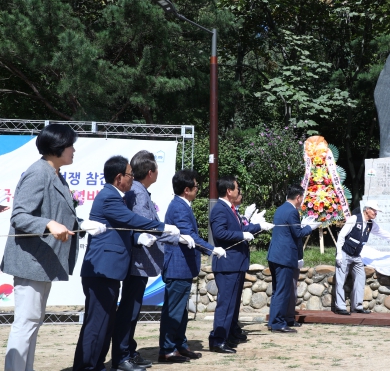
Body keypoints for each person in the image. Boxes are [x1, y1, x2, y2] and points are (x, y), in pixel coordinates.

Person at [1, 124, 105, 371]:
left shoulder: (55, 174)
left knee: (33, 322)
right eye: (70, 145)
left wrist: (81, 224)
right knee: (25, 323)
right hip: (31, 261)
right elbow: (19, 216)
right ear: (58, 147)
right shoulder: (38, 173)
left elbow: (58, 214)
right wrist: (48, 223)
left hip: (42, 263)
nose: (74, 150)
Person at [72, 155, 180, 371]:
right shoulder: (110, 196)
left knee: (106, 323)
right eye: (130, 175)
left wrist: (137, 237)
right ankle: (86, 366)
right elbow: (131, 220)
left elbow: (123, 229)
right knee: (97, 323)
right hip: (101, 270)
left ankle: (97, 364)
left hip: (110, 271)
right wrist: (162, 227)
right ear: (119, 177)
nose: (132, 178)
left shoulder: (116, 197)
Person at [110, 151, 180, 370]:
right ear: (150, 172)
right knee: (129, 311)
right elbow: (145, 225)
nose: (158, 171)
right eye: (156, 168)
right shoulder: (138, 194)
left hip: (140, 262)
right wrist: (175, 235)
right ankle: (122, 356)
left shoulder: (141, 192)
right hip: (136, 263)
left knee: (133, 310)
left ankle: (129, 351)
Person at [159, 169, 226, 362]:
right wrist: (212, 249)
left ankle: (179, 344)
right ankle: (167, 348)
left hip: (184, 266)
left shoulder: (183, 205)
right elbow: (190, 236)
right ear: (187, 189)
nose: (198, 189)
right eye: (196, 186)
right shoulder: (179, 207)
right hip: (177, 267)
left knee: (181, 310)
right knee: (173, 310)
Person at [208, 176, 272, 354]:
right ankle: (218, 340)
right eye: (237, 188)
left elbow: (240, 229)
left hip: (236, 264)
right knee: (226, 304)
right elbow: (220, 233)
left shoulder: (230, 209)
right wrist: (241, 236)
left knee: (233, 305)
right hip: (228, 264)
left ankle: (228, 335)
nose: (239, 191)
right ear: (229, 191)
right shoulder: (220, 209)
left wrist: (257, 227)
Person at [334, 200, 390, 315]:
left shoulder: (371, 224)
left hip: (356, 255)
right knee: (340, 280)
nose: (376, 213)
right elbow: (341, 236)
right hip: (345, 253)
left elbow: (383, 233)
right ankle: (340, 307)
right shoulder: (354, 219)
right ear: (367, 210)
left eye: (376, 211)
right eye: (374, 210)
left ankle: (357, 306)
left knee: (360, 278)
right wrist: (339, 254)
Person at [267, 185, 318, 332]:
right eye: (302, 198)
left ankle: (275, 321)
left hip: (275, 255)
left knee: (278, 290)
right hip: (284, 256)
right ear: (298, 197)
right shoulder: (291, 211)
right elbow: (297, 233)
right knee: (282, 291)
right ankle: (278, 323)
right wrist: (310, 227)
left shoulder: (281, 208)